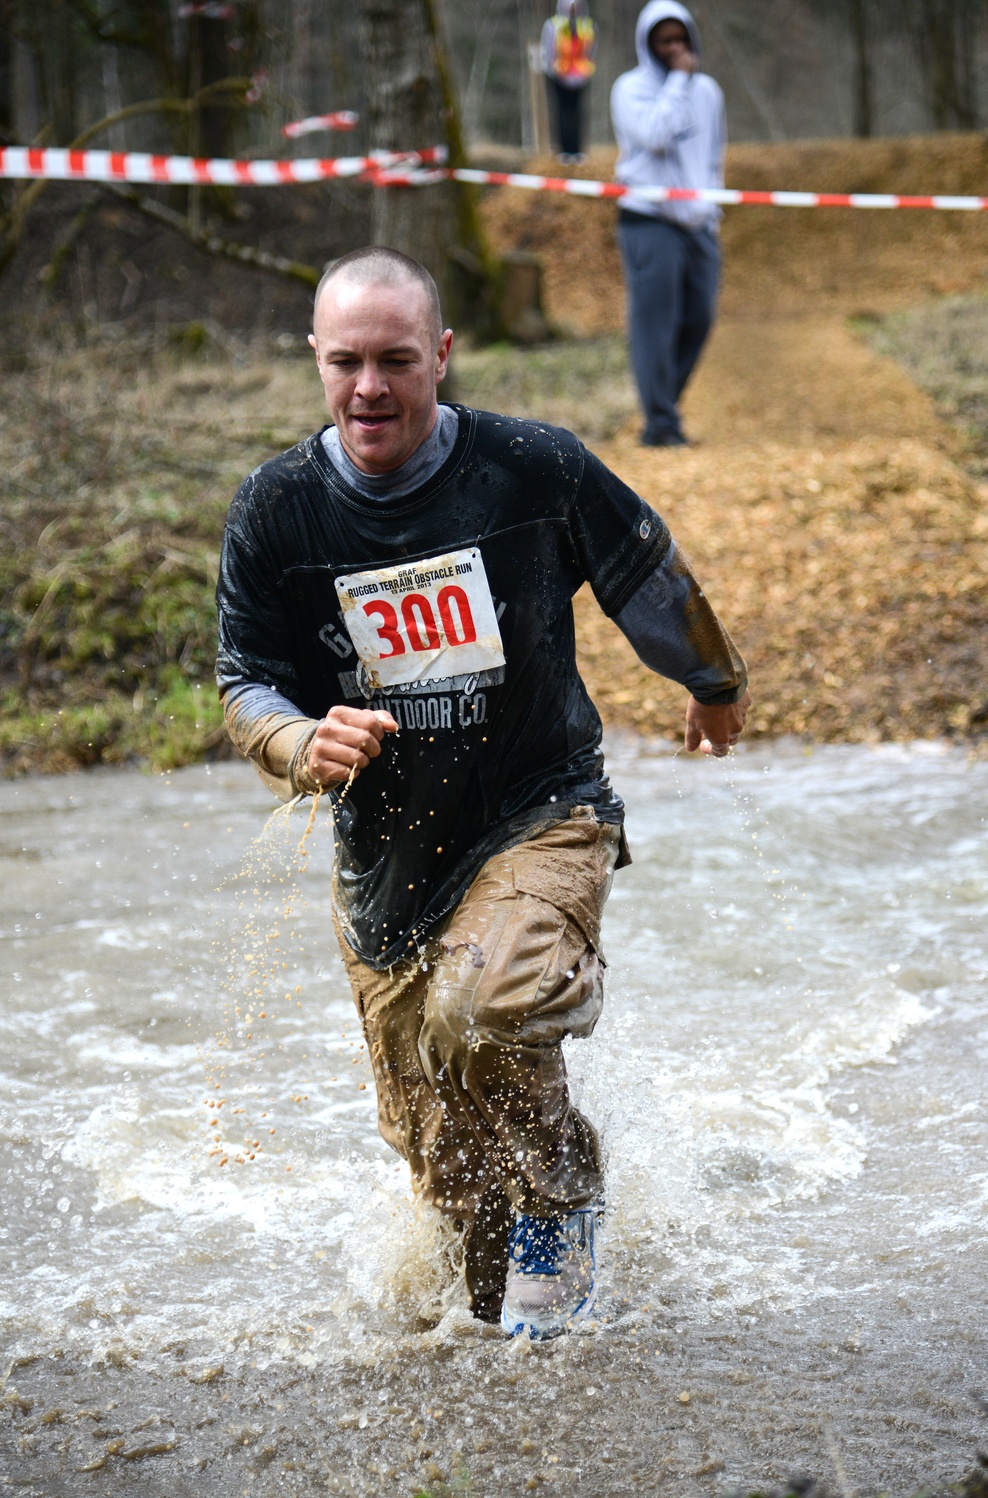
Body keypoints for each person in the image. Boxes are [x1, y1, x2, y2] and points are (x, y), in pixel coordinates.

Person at [216, 245, 750, 1339]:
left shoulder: (530, 467)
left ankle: (566, 1195)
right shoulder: (275, 509)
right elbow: (243, 682)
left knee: (489, 999)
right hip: (388, 864)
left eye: (397, 360)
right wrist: (295, 738)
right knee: (445, 1172)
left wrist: (714, 681)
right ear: (316, 363)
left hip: (540, 807)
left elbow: (642, 568)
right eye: (348, 363)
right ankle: (496, 1310)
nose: (372, 387)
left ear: (442, 356)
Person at [610, 1, 726, 447]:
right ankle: (660, 424)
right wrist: (678, 79)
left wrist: (711, 210)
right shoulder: (631, 88)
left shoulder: (709, 93)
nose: (675, 48)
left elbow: (713, 154)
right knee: (656, 323)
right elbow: (655, 135)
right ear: (649, 44)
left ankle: (663, 407)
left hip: (698, 221)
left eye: (682, 39)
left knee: (699, 317)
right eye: (665, 40)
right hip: (648, 218)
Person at [540, 0, 597, 164]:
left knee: (577, 113)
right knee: (561, 112)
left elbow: (591, 49)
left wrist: (587, 69)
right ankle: (563, 150)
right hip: (558, 75)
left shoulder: (587, 25)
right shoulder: (552, 25)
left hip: (580, 76)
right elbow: (547, 49)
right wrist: (552, 70)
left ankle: (577, 150)